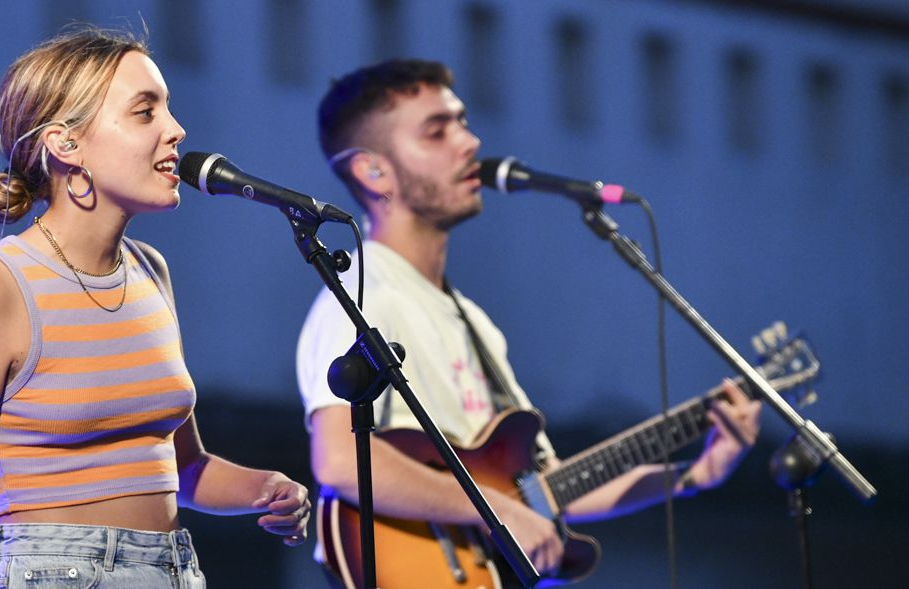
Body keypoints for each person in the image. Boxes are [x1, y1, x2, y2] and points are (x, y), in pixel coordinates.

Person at [296, 59, 762, 584]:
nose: (469, 142)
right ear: (372, 170)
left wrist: (693, 475)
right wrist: (491, 510)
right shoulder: (363, 294)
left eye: (463, 121)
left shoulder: (473, 322)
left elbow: (542, 491)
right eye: (437, 130)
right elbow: (337, 460)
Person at [0, 28, 310, 589]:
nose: (176, 131)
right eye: (145, 112)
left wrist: (262, 487)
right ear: (66, 144)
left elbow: (183, 468)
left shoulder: (150, 272)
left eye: (167, 110)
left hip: (172, 569)